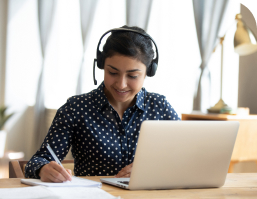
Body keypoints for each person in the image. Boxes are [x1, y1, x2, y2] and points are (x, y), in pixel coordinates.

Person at [25, 25, 180, 182]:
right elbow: (38, 161)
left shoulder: (160, 108)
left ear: (148, 72)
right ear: (101, 66)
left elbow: (186, 157)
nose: (121, 84)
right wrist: (43, 169)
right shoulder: (76, 108)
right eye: (112, 73)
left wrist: (152, 170)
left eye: (132, 76)